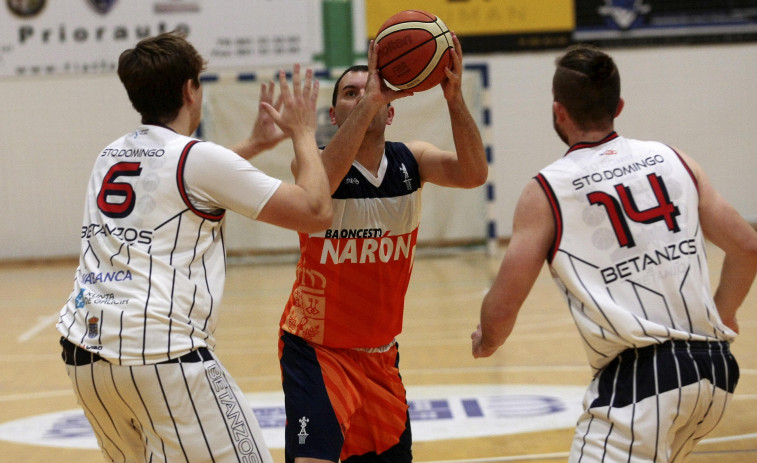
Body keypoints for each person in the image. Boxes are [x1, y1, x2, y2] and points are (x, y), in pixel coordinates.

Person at [471, 43, 757, 462]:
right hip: (713, 372)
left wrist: (487, 340)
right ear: (618, 106)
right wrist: (724, 311)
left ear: (558, 111)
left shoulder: (548, 188)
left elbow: (501, 310)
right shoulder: (673, 158)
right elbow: (748, 246)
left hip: (643, 382)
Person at [56, 31, 332, 463]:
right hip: (159, 356)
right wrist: (302, 133)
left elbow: (180, 178)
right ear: (190, 90)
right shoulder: (198, 158)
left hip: (84, 354)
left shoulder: (111, 154)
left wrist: (256, 145)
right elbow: (315, 212)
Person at [278, 33, 487, 463]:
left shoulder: (413, 160)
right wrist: (371, 99)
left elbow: (473, 173)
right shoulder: (311, 163)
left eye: (369, 91)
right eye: (350, 94)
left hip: (380, 354)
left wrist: (453, 99)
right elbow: (324, 186)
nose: (361, 97)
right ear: (334, 114)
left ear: (392, 112)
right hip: (317, 349)